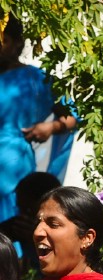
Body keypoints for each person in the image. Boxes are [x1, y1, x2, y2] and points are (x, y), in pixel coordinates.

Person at [0, 15, 77, 222]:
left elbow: (71, 117)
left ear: (17, 43)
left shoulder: (36, 79)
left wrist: (51, 127)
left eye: (3, 40)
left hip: (13, 169)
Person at [0, 171, 60, 275]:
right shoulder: (19, 226)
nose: (23, 216)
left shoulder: (62, 239)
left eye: (28, 210)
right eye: (21, 209)